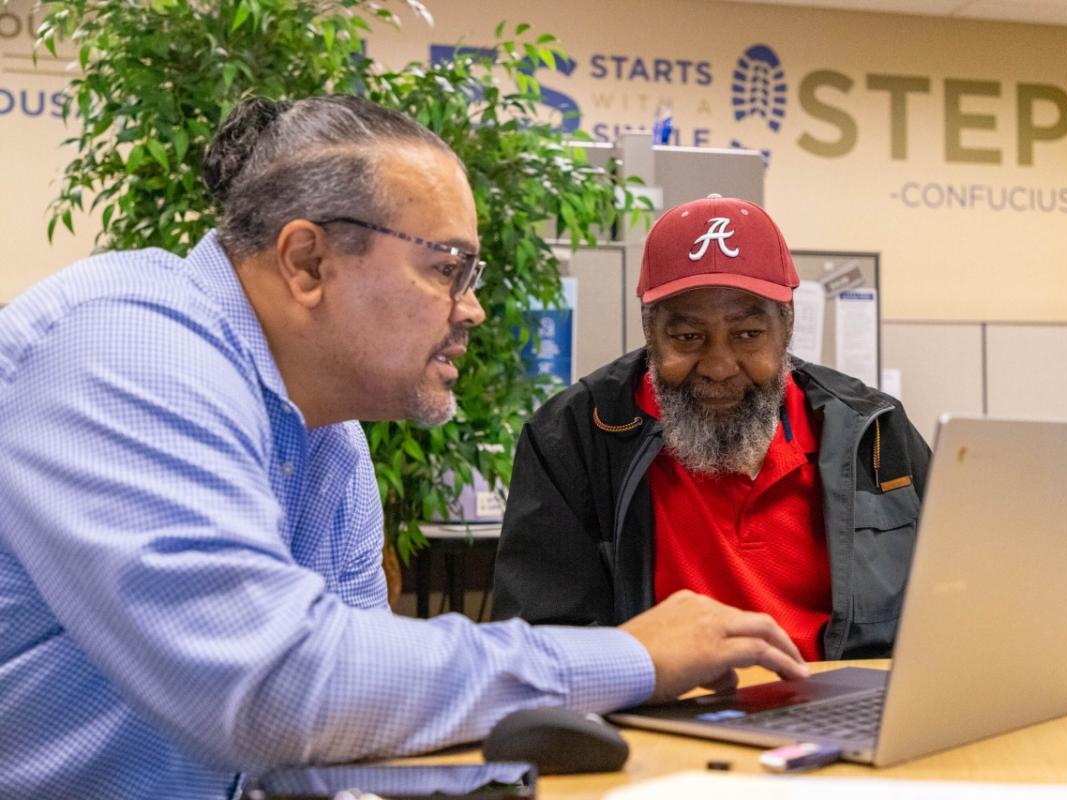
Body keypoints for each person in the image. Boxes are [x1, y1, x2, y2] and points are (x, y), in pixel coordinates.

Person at [0, 97, 809, 799]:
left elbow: (344, 722)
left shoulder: (331, 444)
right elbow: (278, 693)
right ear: (308, 261)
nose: (473, 310)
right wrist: (626, 658)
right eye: (449, 269)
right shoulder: (125, 349)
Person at [493, 194, 932, 663]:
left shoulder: (873, 432)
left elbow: (954, 606)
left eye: (747, 335)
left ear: (786, 325)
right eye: (688, 337)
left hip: (843, 718)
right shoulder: (575, 438)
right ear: (649, 331)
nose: (720, 366)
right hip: (659, 718)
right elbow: (541, 647)